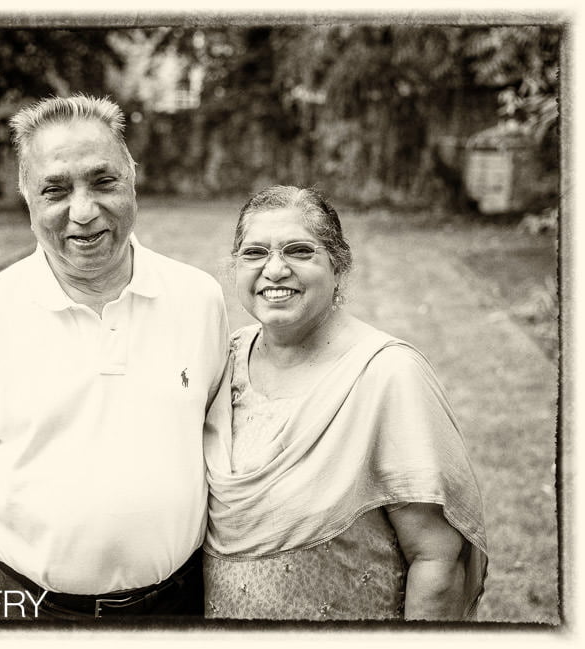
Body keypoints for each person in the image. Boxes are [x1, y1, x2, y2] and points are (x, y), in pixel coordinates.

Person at [0, 95, 229, 622]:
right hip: (27, 611)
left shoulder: (199, 299)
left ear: (132, 177)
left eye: (103, 181)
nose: (82, 212)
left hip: (179, 607)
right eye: (55, 190)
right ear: (27, 197)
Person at [203, 185, 488, 621]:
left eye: (299, 251)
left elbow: (436, 559)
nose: (274, 269)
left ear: (339, 267)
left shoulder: (386, 374)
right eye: (254, 252)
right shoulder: (223, 361)